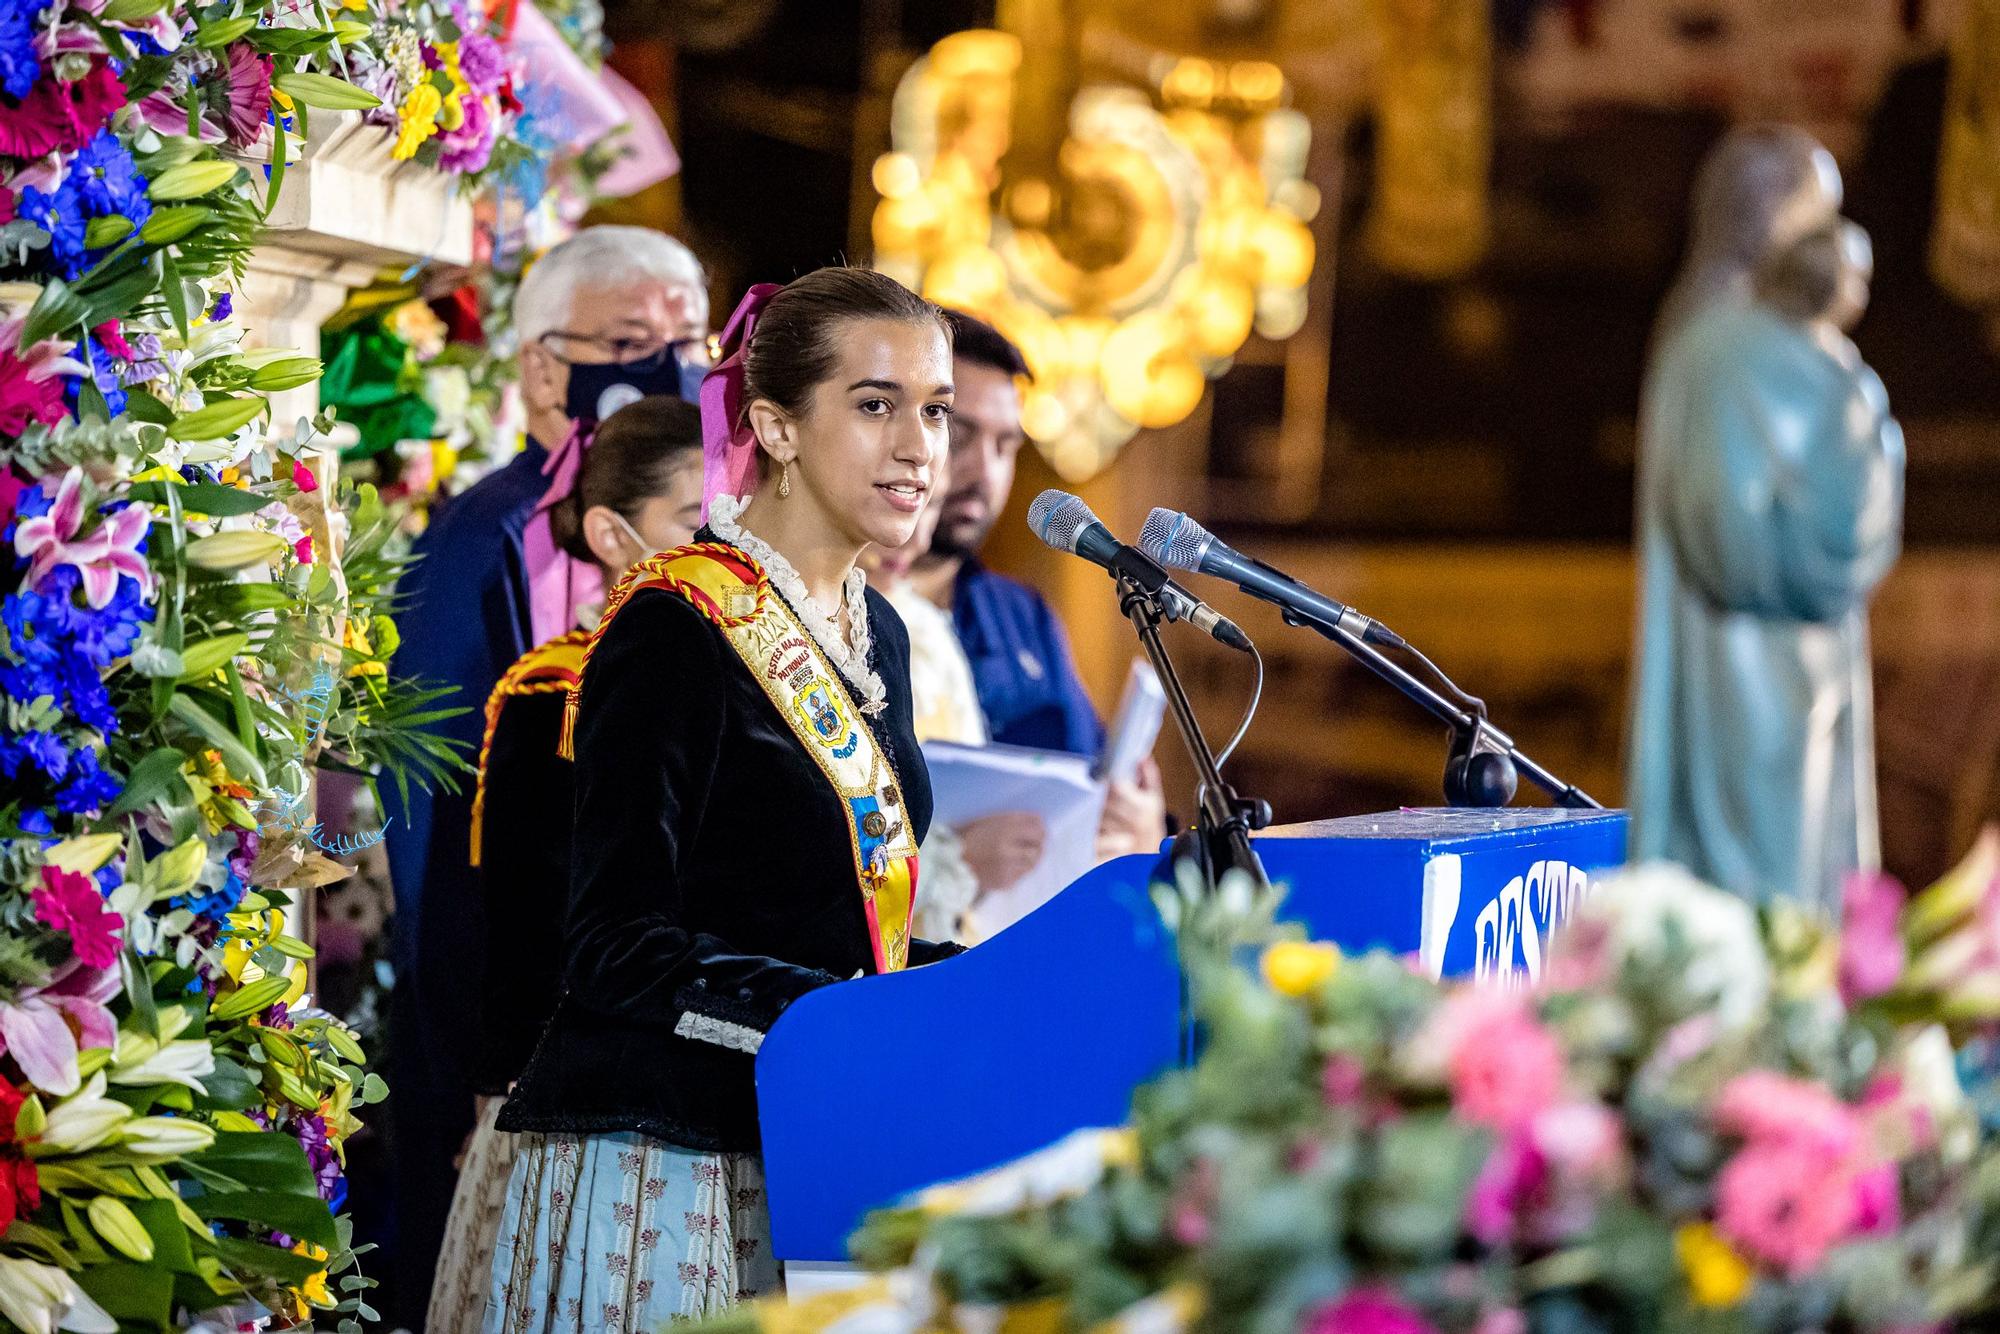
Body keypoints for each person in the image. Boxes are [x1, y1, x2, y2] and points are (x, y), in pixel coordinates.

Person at [484, 268, 964, 1330]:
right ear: (775, 428)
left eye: (935, 410)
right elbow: (611, 944)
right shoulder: (675, 625)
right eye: (875, 404)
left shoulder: (874, 631)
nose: (918, 445)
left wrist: (971, 985)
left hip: (814, 1134)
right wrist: (836, 1015)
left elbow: (843, 930)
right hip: (670, 1167)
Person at [381, 225, 709, 1319]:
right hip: (520, 1034)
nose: (662, 368)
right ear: (539, 365)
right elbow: (440, 823)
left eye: (687, 341)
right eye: (626, 340)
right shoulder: (490, 539)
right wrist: (478, 1048)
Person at [1630, 206, 1905, 911]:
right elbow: (1725, 520)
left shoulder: (1829, 370)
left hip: (1792, 641)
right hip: (1750, 643)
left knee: (1796, 842)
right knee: (1760, 851)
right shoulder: (1735, 355)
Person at [902, 311, 1166, 872]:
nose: (984, 470)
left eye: (1006, 445)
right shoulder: (830, 604)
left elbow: (1087, 773)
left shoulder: (1021, 616)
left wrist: (1142, 830)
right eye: (961, 433)